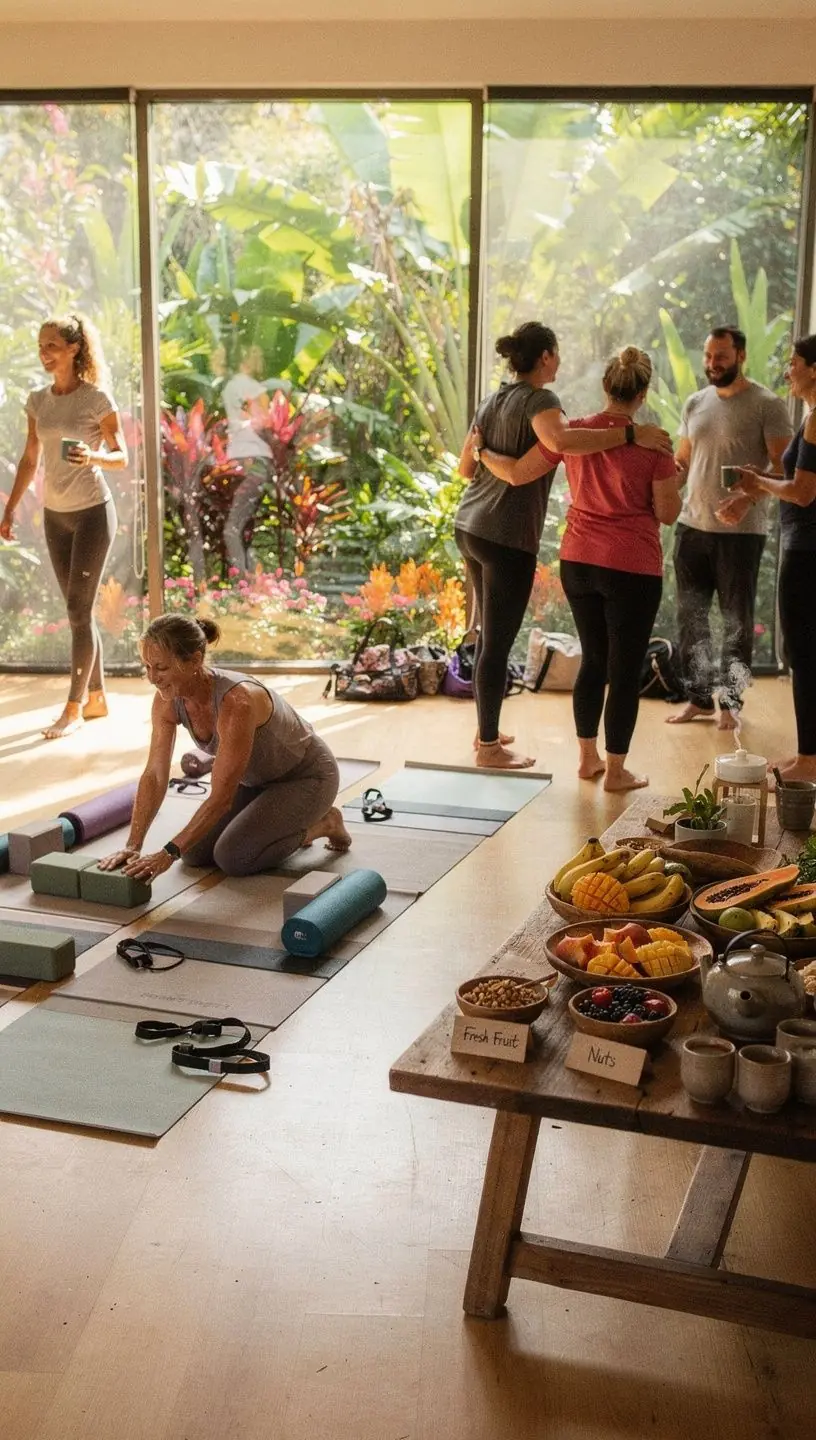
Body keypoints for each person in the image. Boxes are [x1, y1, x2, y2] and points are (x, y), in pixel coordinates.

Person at [456, 320, 671, 770]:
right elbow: (547, 452)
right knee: (498, 644)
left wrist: (483, 455)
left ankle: (488, 731)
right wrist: (632, 434)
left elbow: (467, 466)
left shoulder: (493, 398)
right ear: (547, 356)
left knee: (498, 640)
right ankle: (492, 748)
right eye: (558, 353)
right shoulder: (545, 401)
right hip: (508, 536)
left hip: (472, 525)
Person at [99, 614, 350, 882]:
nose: (152, 678)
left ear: (194, 661)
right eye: (146, 666)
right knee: (193, 852)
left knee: (234, 856)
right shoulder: (167, 700)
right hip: (255, 782)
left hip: (305, 777)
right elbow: (155, 774)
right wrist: (133, 845)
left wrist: (167, 853)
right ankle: (277, 822)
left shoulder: (236, 702)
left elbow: (221, 798)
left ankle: (325, 823)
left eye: (160, 668)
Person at [0, 313, 128, 739]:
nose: (44, 352)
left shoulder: (96, 400)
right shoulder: (39, 400)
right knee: (80, 612)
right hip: (55, 515)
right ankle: (96, 696)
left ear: (74, 349)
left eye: (52, 345)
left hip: (92, 512)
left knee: (77, 608)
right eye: (41, 345)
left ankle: (72, 708)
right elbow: (30, 459)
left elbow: (121, 456)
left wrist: (93, 458)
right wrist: (11, 509)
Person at [666, 325, 792, 731]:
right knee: (692, 620)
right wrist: (661, 486)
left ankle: (731, 704)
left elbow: (783, 469)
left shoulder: (767, 405)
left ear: (740, 355)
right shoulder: (695, 403)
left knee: (737, 621)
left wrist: (747, 498)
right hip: (692, 528)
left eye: (720, 356)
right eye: (707, 356)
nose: (711, 364)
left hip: (741, 534)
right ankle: (699, 700)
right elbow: (683, 463)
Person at [725, 334, 816, 782]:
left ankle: (810, 760)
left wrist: (759, 484)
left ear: (814, 369)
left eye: (794, 363)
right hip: (806, 546)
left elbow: (802, 491)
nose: (787, 371)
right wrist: (756, 486)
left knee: (802, 652)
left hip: (808, 550)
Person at [221, 345, 291, 574]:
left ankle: (245, 578)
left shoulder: (229, 388)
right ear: (246, 361)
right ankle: (246, 580)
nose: (259, 361)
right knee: (237, 527)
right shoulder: (254, 388)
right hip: (255, 458)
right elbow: (265, 421)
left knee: (237, 525)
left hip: (234, 459)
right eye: (256, 356)